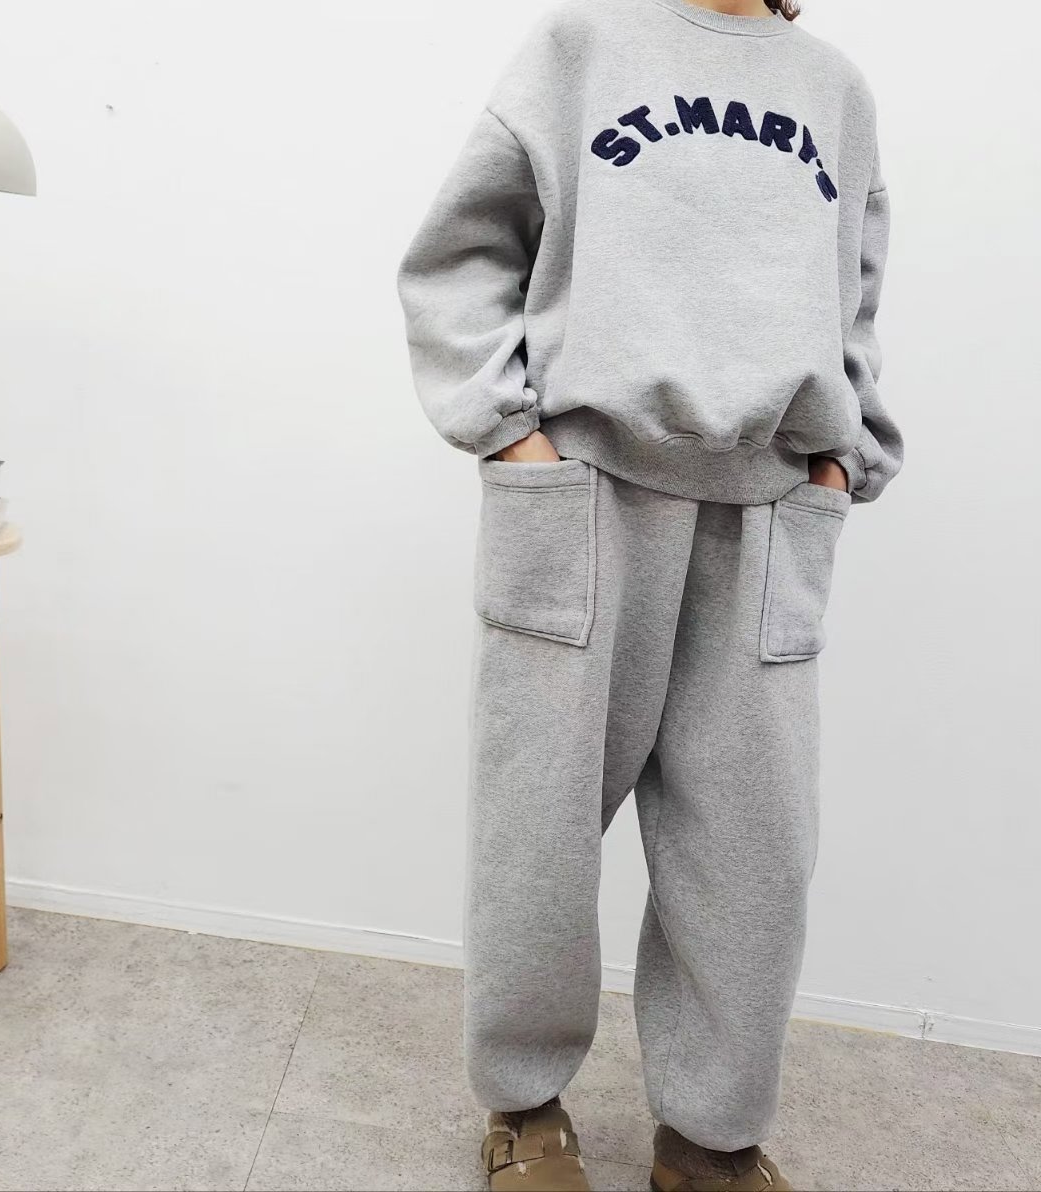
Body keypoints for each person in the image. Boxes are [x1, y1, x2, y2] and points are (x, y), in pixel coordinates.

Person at [398, 0, 902, 1186]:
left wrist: (843, 456)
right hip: (583, 494)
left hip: (767, 510)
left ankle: (712, 1136)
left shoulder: (835, 89)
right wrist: (509, 430)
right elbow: (459, 256)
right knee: (538, 832)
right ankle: (524, 1104)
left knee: (753, 853)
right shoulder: (578, 47)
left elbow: (856, 298)